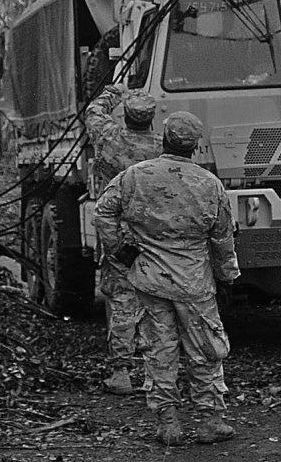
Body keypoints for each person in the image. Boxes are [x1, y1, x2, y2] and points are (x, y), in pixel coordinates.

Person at [93, 112, 241, 446]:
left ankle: (168, 424)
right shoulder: (209, 184)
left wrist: (118, 248)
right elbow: (222, 238)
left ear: (164, 138)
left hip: (149, 280)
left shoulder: (134, 176)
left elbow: (102, 210)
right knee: (206, 351)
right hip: (194, 283)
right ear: (196, 145)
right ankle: (209, 421)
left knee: (159, 351)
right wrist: (227, 276)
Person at [86, 84, 161, 396]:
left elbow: (92, 112)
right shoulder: (162, 146)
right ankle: (156, 373)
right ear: (151, 119)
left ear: (126, 118)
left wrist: (112, 92)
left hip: (118, 235)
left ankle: (121, 373)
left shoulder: (109, 137)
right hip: (155, 238)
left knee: (120, 301)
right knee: (157, 302)